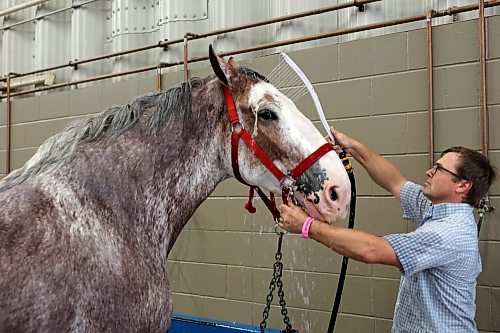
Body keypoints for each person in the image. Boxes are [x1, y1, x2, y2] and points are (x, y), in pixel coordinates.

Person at [279, 126, 497, 333]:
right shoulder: (434, 208)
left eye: (439, 169)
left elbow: (371, 250)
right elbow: (394, 181)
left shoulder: (450, 233)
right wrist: (351, 146)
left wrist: (307, 225)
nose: (429, 172)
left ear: (462, 186)